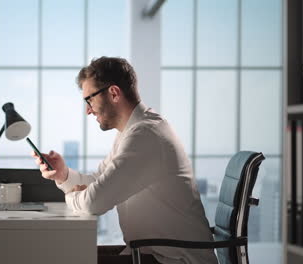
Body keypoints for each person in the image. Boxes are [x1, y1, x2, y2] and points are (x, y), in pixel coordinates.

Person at [31, 56, 218, 264]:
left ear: (113, 93)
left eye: (89, 99)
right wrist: (64, 175)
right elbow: (99, 180)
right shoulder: (132, 132)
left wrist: (71, 198)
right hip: (152, 255)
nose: (87, 110)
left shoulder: (146, 135)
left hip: (174, 260)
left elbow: (95, 201)